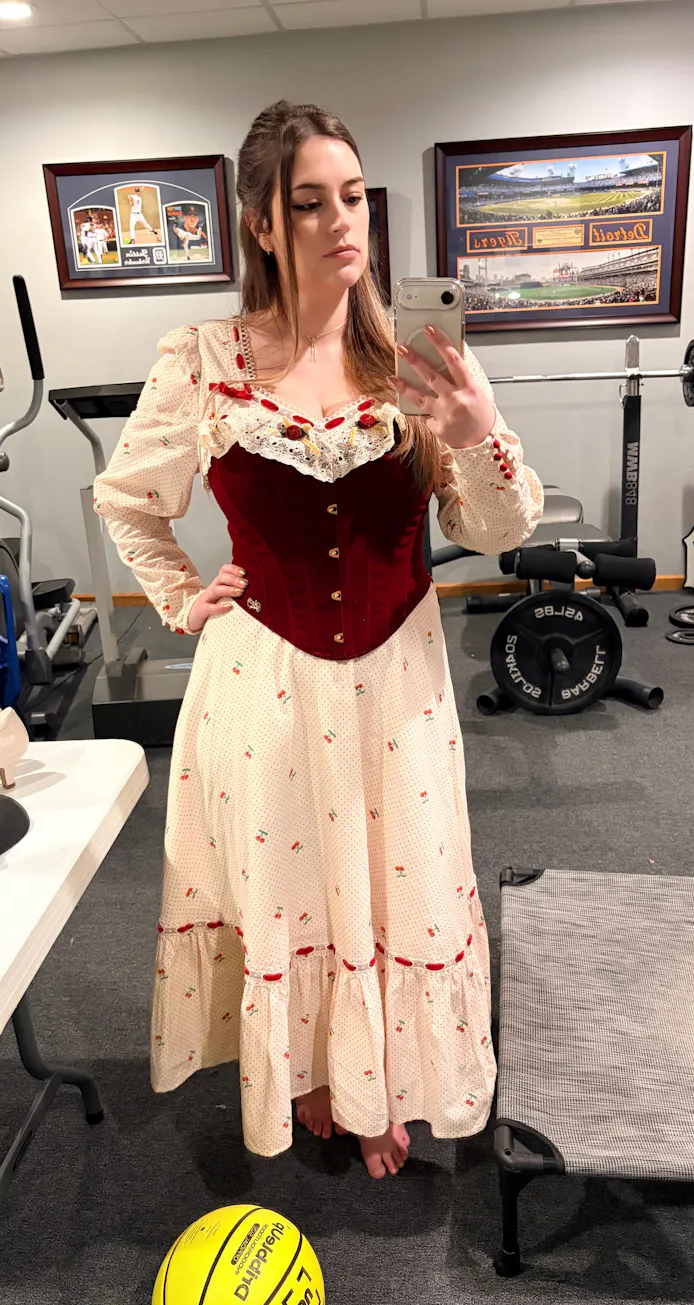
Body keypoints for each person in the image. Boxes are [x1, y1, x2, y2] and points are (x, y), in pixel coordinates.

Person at [93, 101, 544, 1179]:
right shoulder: (205, 363)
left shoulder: (416, 363)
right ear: (261, 223)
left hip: (398, 683)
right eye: (309, 202)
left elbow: (497, 530)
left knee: (400, 881)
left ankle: (379, 1082)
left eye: (353, 197)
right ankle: (308, 1073)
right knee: (287, 888)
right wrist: (181, 595)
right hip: (267, 681)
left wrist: (477, 435)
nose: (342, 221)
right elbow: (127, 501)